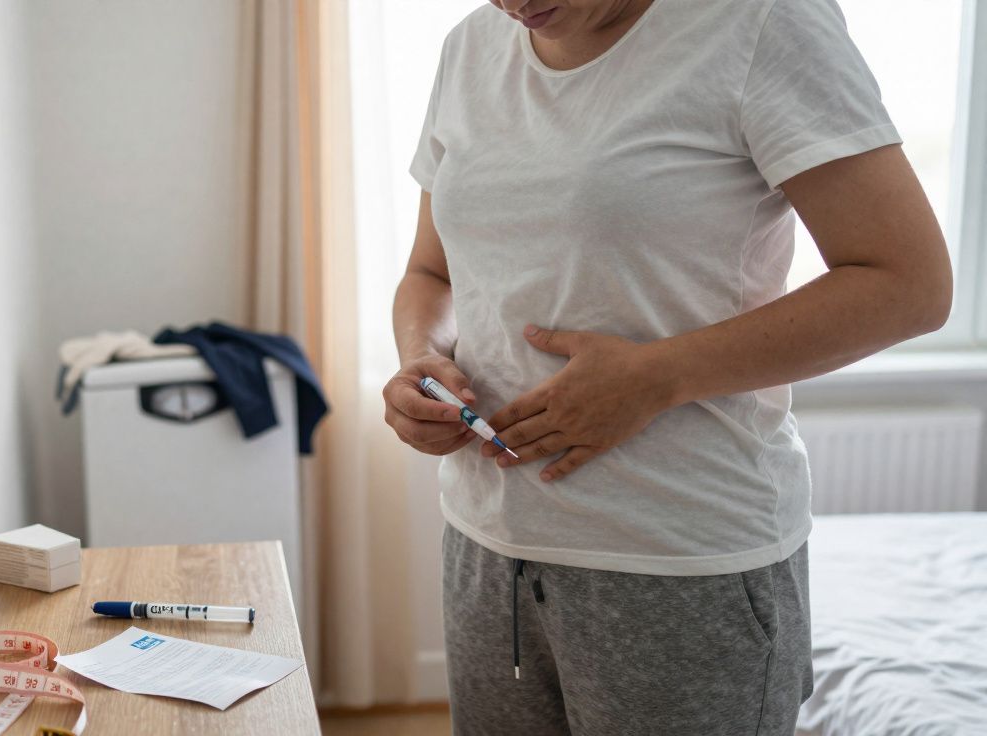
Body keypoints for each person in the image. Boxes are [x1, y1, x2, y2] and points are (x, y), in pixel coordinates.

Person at [383, 0, 952, 733]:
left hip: (681, 563)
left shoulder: (762, 23)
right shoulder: (472, 46)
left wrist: (658, 375)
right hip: (489, 549)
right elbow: (433, 273)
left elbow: (909, 284)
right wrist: (421, 358)